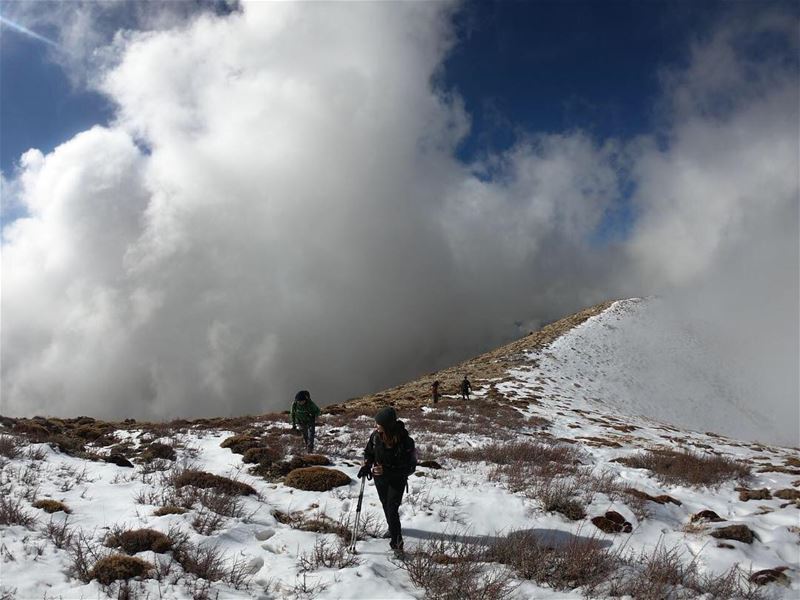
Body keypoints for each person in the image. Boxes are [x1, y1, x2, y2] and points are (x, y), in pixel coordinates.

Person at [358, 407, 416, 555]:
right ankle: (392, 529)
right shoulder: (375, 436)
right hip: (380, 479)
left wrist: (388, 471)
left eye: (379, 424)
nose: (376, 426)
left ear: (388, 425)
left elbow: (410, 467)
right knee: (385, 504)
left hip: (397, 480)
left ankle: (397, 545)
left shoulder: (405, 442)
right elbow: (369, 452)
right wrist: (366, 464)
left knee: (392, 509)